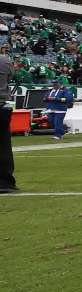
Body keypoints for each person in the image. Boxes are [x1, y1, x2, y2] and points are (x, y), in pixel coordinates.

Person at [0, 48, 17, 193]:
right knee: (3, 145)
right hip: (2, 105)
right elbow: (10, 78)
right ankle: (4, 181)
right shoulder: (5, 60)